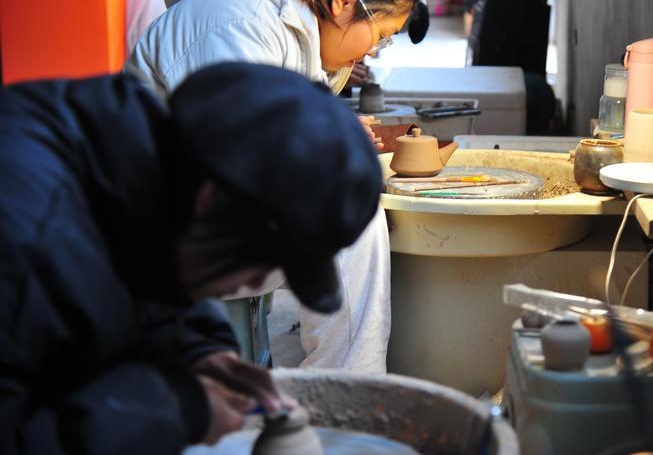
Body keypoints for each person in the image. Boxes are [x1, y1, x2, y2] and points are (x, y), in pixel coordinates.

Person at [0, 62, 383, 454]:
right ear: (212, 201)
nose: (254, 284)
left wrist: (200, 349)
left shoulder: (141, 161)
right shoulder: (24, 243)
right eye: (263, 261)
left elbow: (145, 269)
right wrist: (173, 410)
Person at [125, 0, 428, 372]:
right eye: (381, 35)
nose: (373, 49)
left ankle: (340, 385)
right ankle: (346, 389)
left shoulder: (286, 21)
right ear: (345, 2)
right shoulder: (234, 23)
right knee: (352, 219)